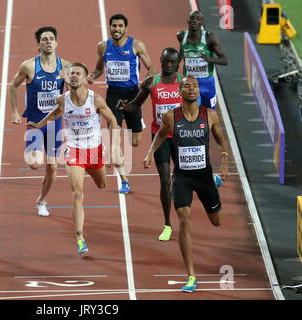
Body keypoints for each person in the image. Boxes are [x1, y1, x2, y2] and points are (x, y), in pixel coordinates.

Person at [143, 76, 229, 292]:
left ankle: (215, 182)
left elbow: (220, 140)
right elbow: (161, 135)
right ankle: (191, 276)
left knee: (217, 221)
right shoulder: (171, 117)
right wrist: (150, 153)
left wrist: (225, 160)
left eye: (195, 86)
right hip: (182, 177)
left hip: (204, 176)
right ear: (179, 92)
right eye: (187, 86)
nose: (192, 89)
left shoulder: (209, 115)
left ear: (198, 91)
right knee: (184, 219)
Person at [27, 62, 121, 256]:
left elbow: (113, 121)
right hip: (74, 151)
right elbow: (54, 114)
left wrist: (113, 147)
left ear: (85, 78)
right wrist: (39, 125)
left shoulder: (95, 99)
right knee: (77, 193)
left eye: (78, 73)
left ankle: (93, 172)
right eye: (71, 73)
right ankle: (80, 238)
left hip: (94, 150)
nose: (74, 76)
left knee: (102, 184)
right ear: (67, 78)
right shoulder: (63, 100)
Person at [118, 47, 182, 241]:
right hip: (160, 137)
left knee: (184, 177)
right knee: (165, 179)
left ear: (178, 64)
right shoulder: (151, 82)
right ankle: (168, 225)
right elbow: (135, 105)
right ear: (160, 61)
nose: (169, 65)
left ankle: (208, 180)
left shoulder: (184, 83)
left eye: (173, 62)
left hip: (181, 136)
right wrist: (124, 106)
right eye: (165, 61)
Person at [87, 13, 154, 194]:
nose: (116, 29)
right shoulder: (103, 46)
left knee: (135, 142)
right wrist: (93, 75)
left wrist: (145, 88)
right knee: (115, 140)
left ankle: (134, 124)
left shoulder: (136, 45)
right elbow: (99, 68)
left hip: (132, 96)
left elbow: (152, 68)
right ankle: (124, 180)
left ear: (126, 28)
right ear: (109, 28)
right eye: (113, 26)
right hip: (113, 96)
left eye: (120, 26)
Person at [9, 26, 70, 217]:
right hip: (35, 123)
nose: (49, 42)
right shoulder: (29, 66)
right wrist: (14, 111)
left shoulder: (65, 67)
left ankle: (41, 201)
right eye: (44, 39)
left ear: (57, 42)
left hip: (54, 123)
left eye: (52, 38)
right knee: (35, 164)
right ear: (38, 44)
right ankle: (32, 149)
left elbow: (73, 90)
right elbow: (13, 85)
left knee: (52, 167)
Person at [177, 10, 228, 110]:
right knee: (192, 110)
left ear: (202, 23)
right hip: (190, 83)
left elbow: (224, 60)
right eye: (192, 18)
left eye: (198, 19)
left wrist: (209, 59)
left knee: (209, 112)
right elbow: (180, 56)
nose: (194, 21)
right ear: (187, 20)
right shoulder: (181, 36)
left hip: (207, 83)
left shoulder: (209, 38)